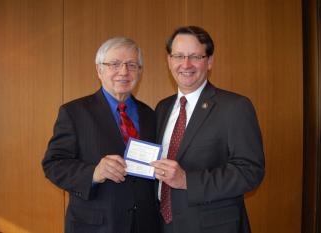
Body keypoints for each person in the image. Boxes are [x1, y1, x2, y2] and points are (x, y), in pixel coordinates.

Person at [151, 26, 265, 233]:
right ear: (169, 61)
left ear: (209, 61)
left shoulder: (235, 107)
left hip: (212, 226)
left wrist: (187, 181)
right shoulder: (162, 107)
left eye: (195, 56)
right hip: (163, 223)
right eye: (178, 56)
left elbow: (250, 172)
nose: (186, 64)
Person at [42, 37, 160, 233]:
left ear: (140, 71)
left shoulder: (150, 114)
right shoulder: (74, 112)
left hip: (145, 225)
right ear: (99, 70)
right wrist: (94, 173)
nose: (124, 72)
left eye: (132, 65)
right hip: (95, 225)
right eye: (114, 64)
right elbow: (53, 164)